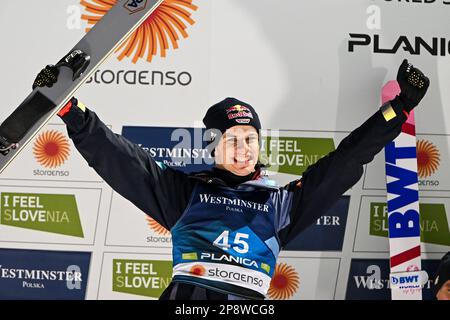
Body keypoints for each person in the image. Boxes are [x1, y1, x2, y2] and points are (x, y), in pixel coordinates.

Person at [32, 59, 429, 300]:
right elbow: (119, 158)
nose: (243, 149)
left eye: (251, 139)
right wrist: (71, 109)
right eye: (233, 139)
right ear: (213, 145)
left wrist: (398, 109)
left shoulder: (282, 202)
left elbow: (346, 162)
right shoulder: (184, 192)